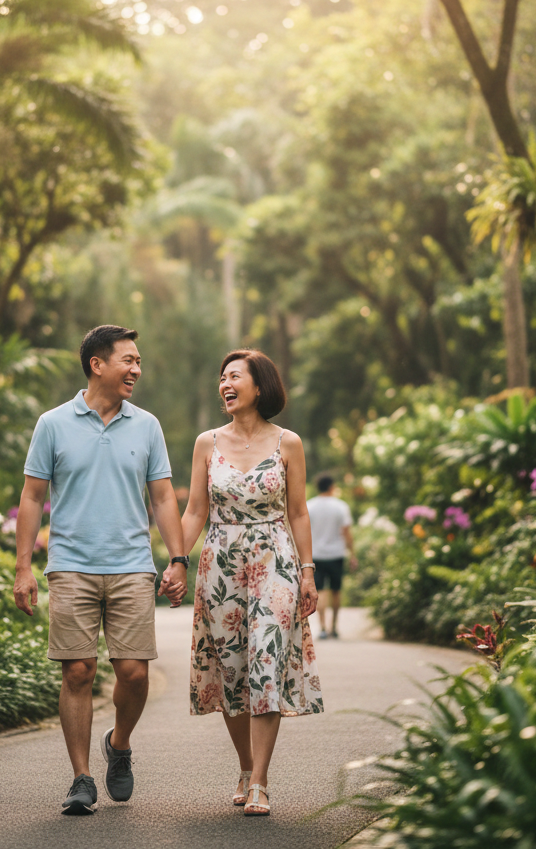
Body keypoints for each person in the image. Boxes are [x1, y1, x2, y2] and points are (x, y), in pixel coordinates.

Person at [13, 325, 188, 817]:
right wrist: (23, 568)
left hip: (132, 565)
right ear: (97, 364)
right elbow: (31, 496)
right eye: (128, 360)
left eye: (138, 361)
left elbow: (161, 498)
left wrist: (177, 559)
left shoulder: (146, 425)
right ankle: (80, 778)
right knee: (79, 670)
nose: (136, 369)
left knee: (133, 674)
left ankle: (120, 742)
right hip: (70, 566)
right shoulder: (52, 423)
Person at [179, 349, 322, 818]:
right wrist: (176, 561)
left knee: (266, 661)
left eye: (234, 376)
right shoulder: (206, 443)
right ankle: (245, 766)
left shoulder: (288, 442)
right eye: (221, 377)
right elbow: (196, 510)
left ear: (258, 387)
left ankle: (260, 780)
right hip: (220, 563)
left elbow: (298, 511)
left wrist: (307, 570)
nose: (225, 384)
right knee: (232, 671)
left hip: (275, 559)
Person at [306, 475, 356, 639]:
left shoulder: (310, 506)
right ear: (331, 487)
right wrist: (353, 554)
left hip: (316, 555)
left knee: (320, 591)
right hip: (336, 554)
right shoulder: (341, 506)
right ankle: (334, 627)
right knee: (336, 590)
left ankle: (321, 628)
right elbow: (347, 532)